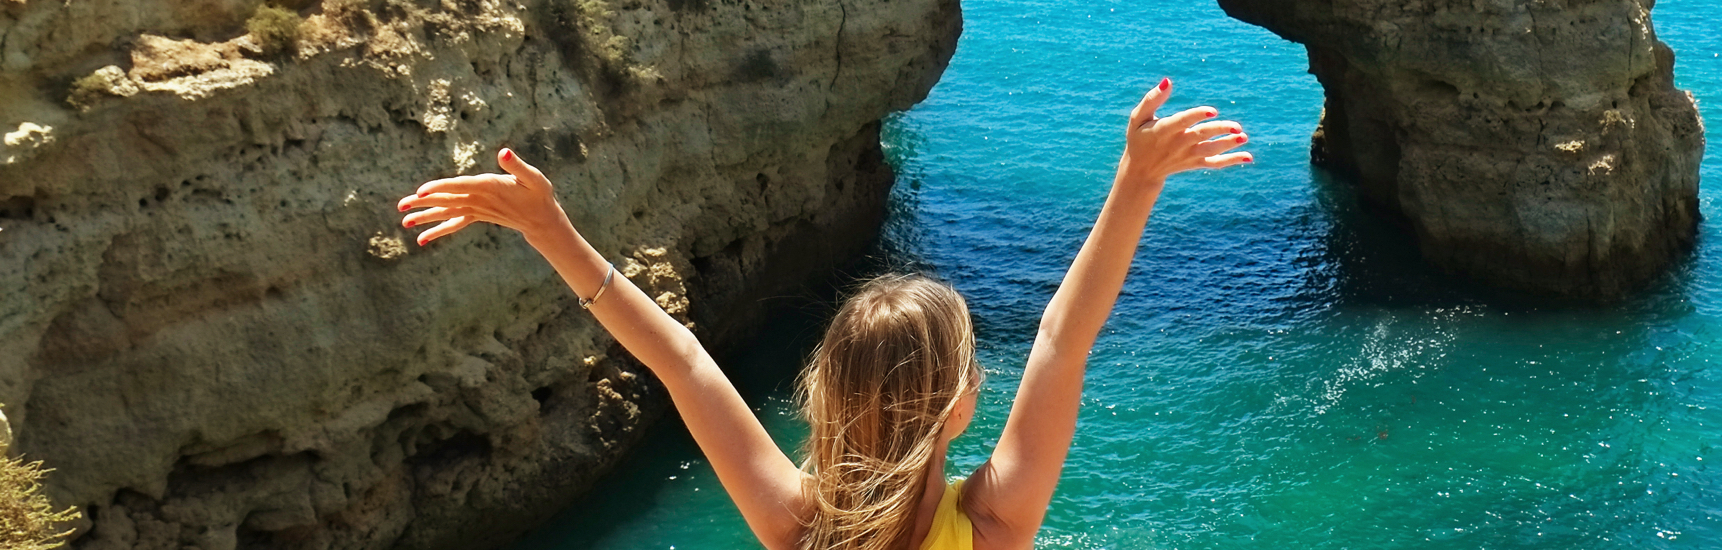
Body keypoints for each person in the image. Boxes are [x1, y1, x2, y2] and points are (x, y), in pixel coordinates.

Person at [396, 78, 1249, 550]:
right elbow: (1063, 337)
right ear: (960, 404)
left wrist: (552, 231)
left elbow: (681, 360)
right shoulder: (991, 526)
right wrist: (1136, 182)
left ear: (828, 393)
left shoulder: (800, 528)